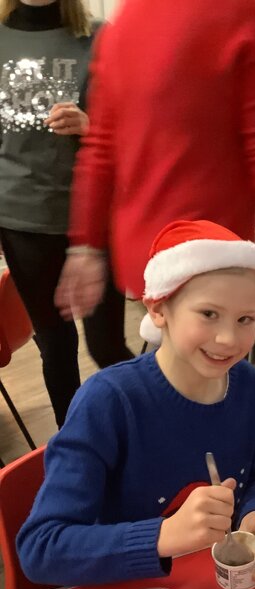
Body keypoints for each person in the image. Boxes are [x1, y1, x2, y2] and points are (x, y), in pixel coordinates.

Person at [17, 220, 255, 587]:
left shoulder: (250, 387)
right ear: (158, 310)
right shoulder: (108, 401)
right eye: (209, 314)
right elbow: (40, 548)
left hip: (210, 588)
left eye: (246, 319)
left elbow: (252, 476)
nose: (228, 338)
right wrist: (164, 535)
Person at [55, 0, 255, 325]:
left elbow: (100, 149)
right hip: (212, 248)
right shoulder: (243, 14)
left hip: (145, 253)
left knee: (171, 351)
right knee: (214, 351)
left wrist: (85, 246)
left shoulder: (126, 20)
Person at [0, 0, 133, 428]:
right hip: (22, 220)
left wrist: (90, 125)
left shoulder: (99, 37)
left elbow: (135, 130)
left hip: (94, 219)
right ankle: (75, 445)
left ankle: (139, 434)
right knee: (55, 345)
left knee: (107, 345)